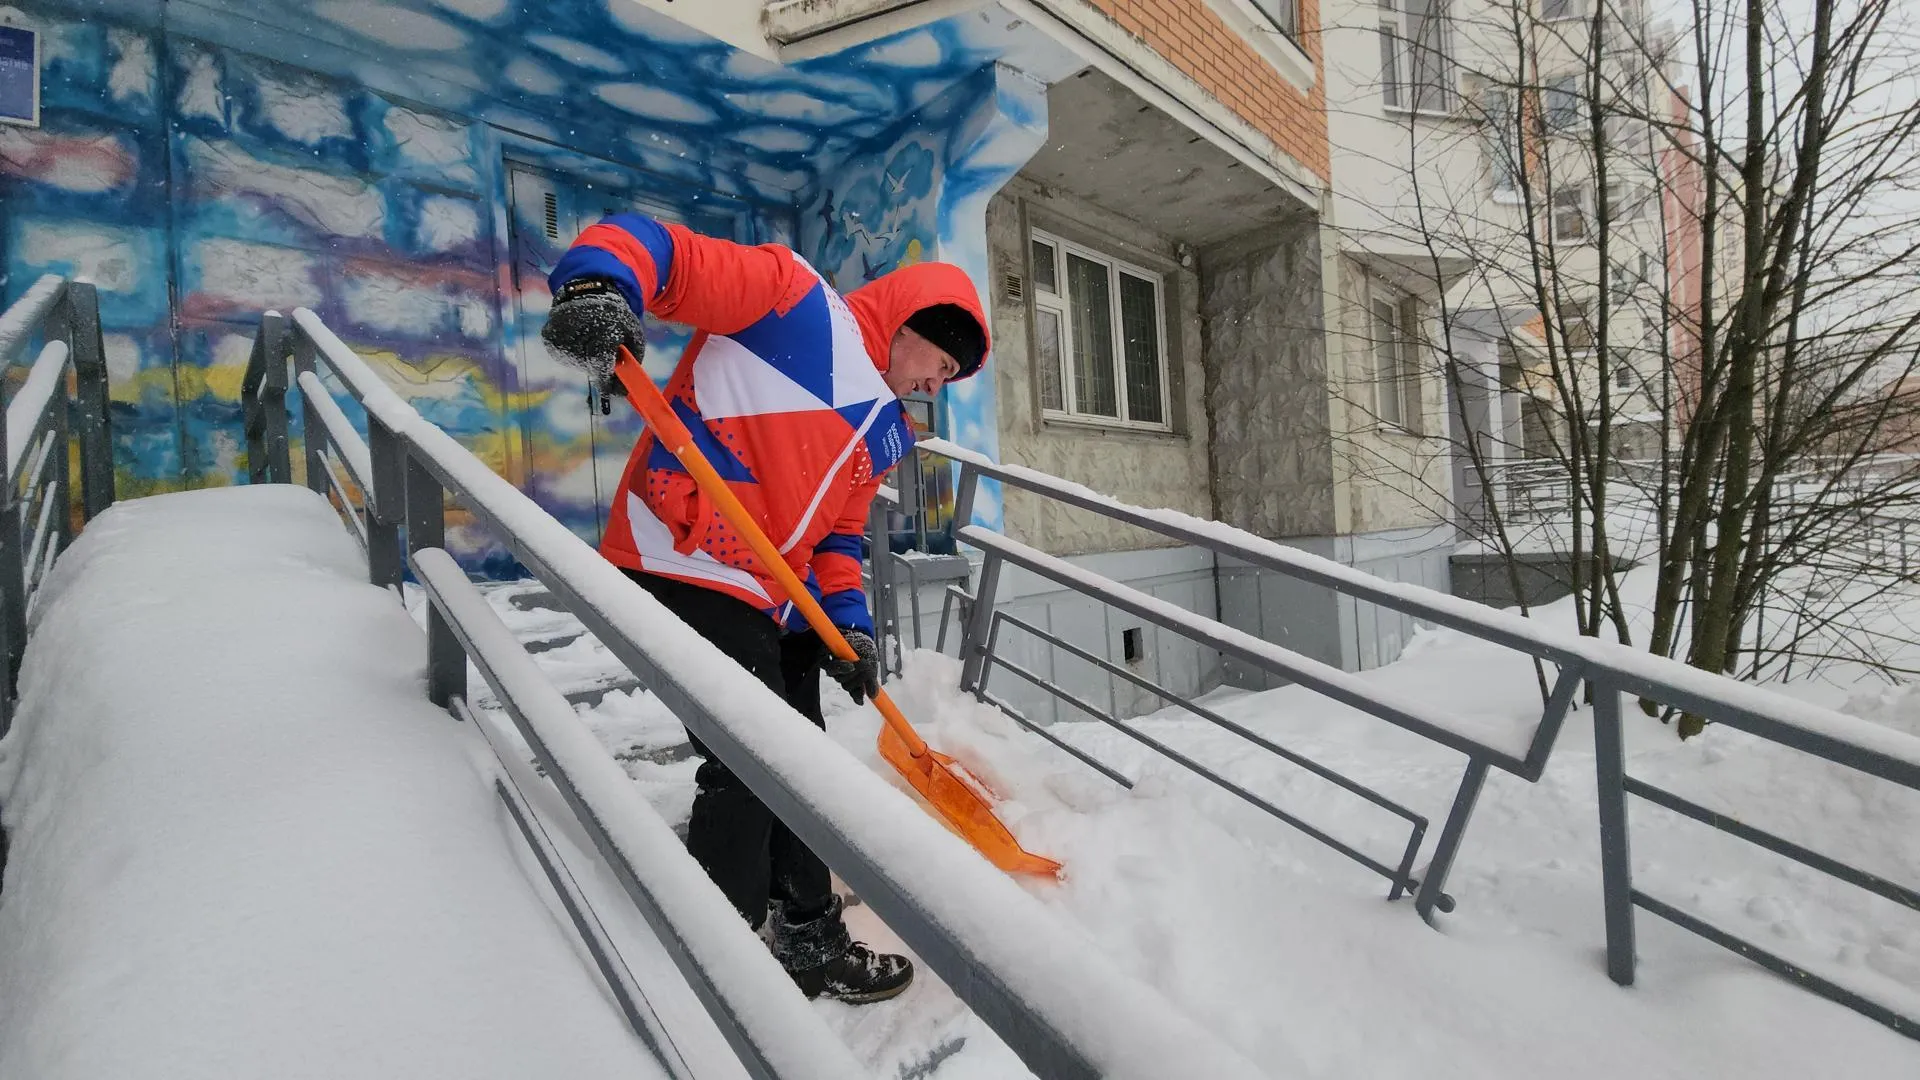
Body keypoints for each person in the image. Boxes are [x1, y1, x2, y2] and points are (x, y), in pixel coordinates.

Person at [538, 211, 988, 1005]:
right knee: (748, 765)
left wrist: (847, 627)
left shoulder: (885, 430)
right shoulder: (795, 303)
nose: (936, 386)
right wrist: (599, 286)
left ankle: (811, 938)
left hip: (772, 593)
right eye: (941, 363)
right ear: (911, 322)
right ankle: (721, 962)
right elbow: (665, 252)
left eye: (950, 378)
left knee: (801, 766)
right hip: (684, 554)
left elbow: (838, 539)